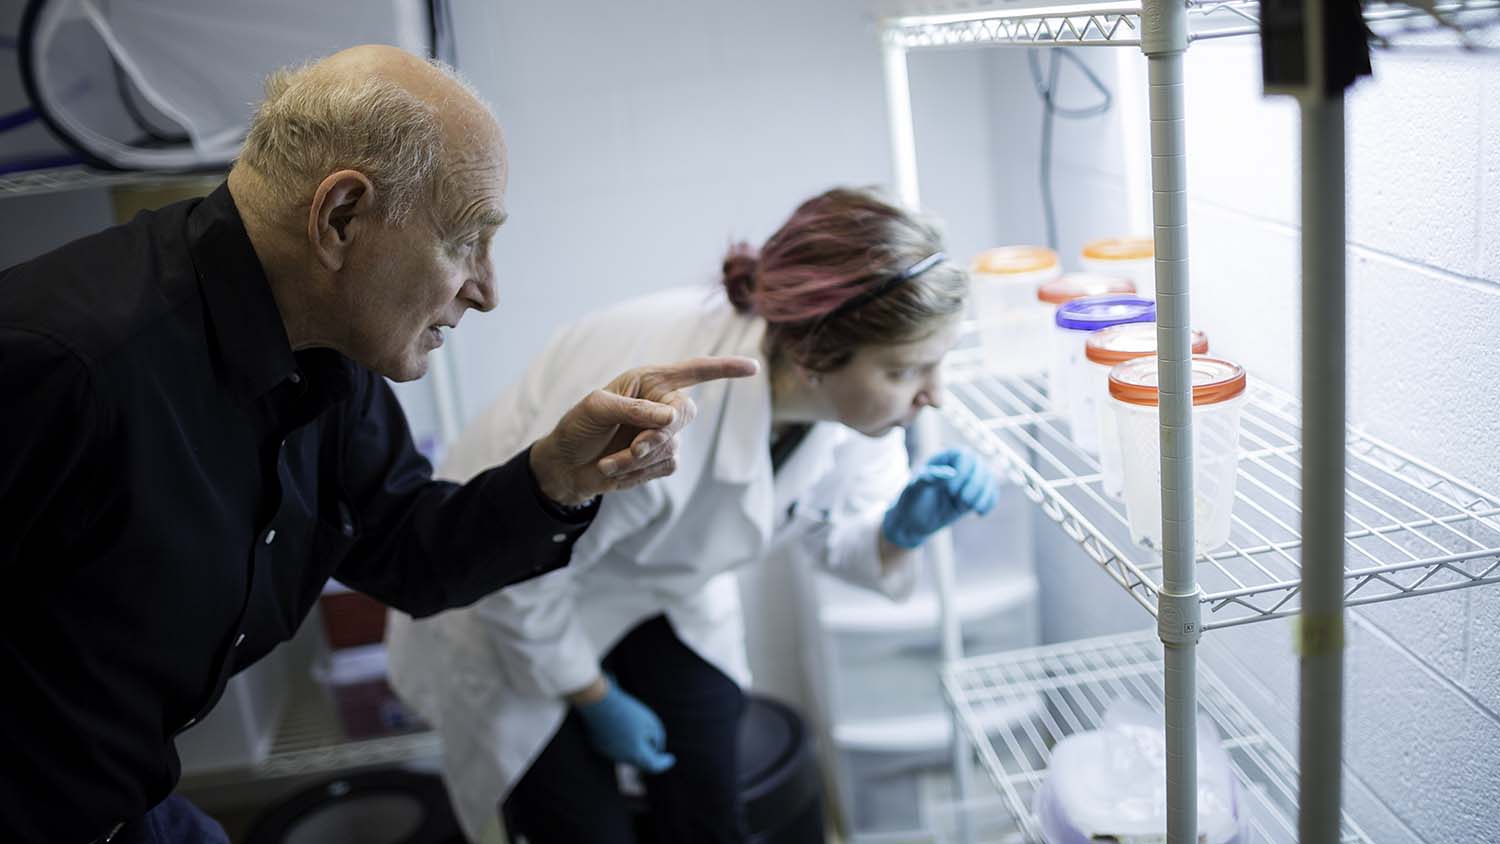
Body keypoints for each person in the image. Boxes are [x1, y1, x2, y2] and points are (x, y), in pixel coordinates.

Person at [0, 45, 754, 844]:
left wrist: (556, 479)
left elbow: (408, 552)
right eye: (466, 240)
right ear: (341, 217)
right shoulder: (59, 366)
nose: (488, 292)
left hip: (125, 792)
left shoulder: (326, 352)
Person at [387, 187, 1002, 843]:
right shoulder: (655, 419)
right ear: (816, 354)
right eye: (909, 371)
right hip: (500, 594)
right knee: (584, 829)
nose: (933, 396)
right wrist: (594, 696)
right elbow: (515, 574)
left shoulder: (851, 414)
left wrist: (897, 532)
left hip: (646, 586)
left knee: (709, 804)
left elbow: (836, 537)